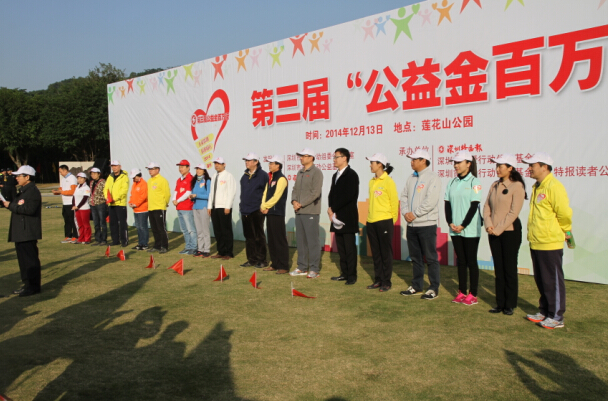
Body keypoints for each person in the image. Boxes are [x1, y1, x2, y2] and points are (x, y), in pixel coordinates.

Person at [522, 152, 573, 329]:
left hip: (550, 241)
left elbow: (564, 213)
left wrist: (566, 230)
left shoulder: (554, 186)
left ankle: (557, 316)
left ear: (544, 167)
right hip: (537, 241)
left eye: (532, 165)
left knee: (553, 280)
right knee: (542, 279)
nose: (529, 168)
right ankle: (544, 311)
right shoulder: (537, 186)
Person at [483, 154, 526, 316]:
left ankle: (510, 304)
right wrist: (489, 225)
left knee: (509, 268)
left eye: (501, 166)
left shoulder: (517, 186)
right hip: (493, 231)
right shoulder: (494, 185)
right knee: (498, 269)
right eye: (497, 166)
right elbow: (486, 207)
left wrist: (498, 229)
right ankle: (500, 303)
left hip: (509, 232)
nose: (498, 169)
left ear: (510, 168)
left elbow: (513, 213)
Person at [399, 149, 442, 300]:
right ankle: (416, 285)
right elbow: (404, 196)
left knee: (430, 258)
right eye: (411, 159)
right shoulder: (411, 177)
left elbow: (430, 201)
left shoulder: (432, 177)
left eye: (415, 159)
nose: (412, 162)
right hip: (412, 225)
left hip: (426, 224)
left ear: (423, 161)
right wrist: (406, 212)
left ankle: (433, 288)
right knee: (416, 258)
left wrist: (415, 214)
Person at [444, 150, 483, 306]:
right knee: (461, 261)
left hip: (470, 229)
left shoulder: (475, 182)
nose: (456, 165)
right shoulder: (452, 182)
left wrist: (463, 225)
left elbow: (474, 206)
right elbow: (447, 204)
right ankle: (461, 292)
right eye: (455, 162)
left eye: (459, 162)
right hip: (455, 229)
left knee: (471, 261)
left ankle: (473, 294)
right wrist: (450, 222)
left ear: (468, 164)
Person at [2, 165, 42, 297]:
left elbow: (29, 209)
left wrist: (11, 205)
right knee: (23, 261)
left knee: (30, 260)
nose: (17, 178)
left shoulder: (33, 191)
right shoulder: (23, 191)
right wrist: (9, 204)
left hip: (27, 231)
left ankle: (33, 286)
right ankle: (26, 284)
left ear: (27, 177)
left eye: (19, 176)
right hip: (21, 231)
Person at [365, 153, 398, 292]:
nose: (370, 165)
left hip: (385, 221)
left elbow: (394, 203)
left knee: (385, 253)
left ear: (380, 164)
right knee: (376, 253)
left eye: (372, 163)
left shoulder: (388, 181)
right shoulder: (371, 181)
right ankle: (378, 280)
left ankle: (386, 281)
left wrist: (391, 221)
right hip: (371, 221)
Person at [290, 148, 324, 278]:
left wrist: (301, 203)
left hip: (310, 212)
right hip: (299, 211)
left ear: (311, 158)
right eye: (301, 156)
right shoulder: (300, 172)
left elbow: (315, 193)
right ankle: (302, 267)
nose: (301, 158)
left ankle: (314, 269)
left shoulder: (317, 172)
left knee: (312, 242)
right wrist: (294, 201)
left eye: (304, 156)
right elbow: (294, 189)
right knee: (301, 241)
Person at [328, 148, 360, 285]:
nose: (334, 160)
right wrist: (330, 209)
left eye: (337, 157)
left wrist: (333, 208)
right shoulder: (335, 175)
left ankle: (352, 275)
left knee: (349, 248)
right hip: (336, 216)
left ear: (345, 158)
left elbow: (349, 196)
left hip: (348, 217)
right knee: (341, 248)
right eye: (334, 157)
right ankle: (344, 273)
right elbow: (331, 194)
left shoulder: (351, 175)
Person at [260, 155, 290, 274]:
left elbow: (277, 196)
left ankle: (283, 265)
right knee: (271, 240)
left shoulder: (281, 179)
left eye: (272, 163)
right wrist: (263, 206)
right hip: (269, 212)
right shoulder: (270, 178)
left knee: (279, 239)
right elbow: (265, 193)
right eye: (269, 163)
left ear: (278, 165)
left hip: (277, 212)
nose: (270, 165)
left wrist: (266, 206)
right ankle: (275, 263)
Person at [239, 153, 269, 268]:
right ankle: (251, 260)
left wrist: (263, 207)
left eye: (249, 160)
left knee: (258, 236)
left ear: (256, 162)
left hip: (257, 210)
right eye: (245, 160)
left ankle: (262, 260)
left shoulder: (263, 175)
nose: (246, 162)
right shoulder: (244, 176)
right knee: (249, 237)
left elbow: (267, 193)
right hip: (245, 210)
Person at [208, 157, 237, 260]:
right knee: (217, 231)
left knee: (226, 230)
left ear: (224, 164)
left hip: (224, 206)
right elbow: (211, 192)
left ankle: (228, 253)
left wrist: (227, 206)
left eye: (219, 163)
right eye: (215, 163)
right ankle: (221, 251)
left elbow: (231, 192)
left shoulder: (228, 176)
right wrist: (209, 206)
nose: (217, 165)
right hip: (214, 207)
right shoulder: (214, 176)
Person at [146, 162, 171, 254]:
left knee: (161, 228)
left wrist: (165, 203)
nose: (150, 171)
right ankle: (157, 246)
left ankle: (164, 246)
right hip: (151, 207)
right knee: (154, 228)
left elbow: (167, 194)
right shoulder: (149, 181)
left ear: (157, 169)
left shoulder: (162, 180)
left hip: (159, 207)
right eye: (149, 169)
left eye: (152, 169)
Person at [173, 160, 197, 255]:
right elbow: (176, 191)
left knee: (190, 229)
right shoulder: (179, 179)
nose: (180, 169)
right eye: (179, 167)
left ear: (188, 168)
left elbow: (188, 192)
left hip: (187, 207)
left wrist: (177, 200)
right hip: (179, 207)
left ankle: (193, 247)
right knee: (184, 229)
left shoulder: (191, 178)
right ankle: (188, 246)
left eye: (182, 167)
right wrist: (174, 199)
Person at [105, 161, 130, 247]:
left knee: (122, 223)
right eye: (112, 166)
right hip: (111, 204)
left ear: (120, 166)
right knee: (113, 223)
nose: (114, 168)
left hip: (120, 203)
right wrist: (107, 198)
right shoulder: (110, 176)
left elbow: (124, 190)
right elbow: (106, 188)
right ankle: (115, 240)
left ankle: (124, 240)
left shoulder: (124, 177)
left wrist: (115, 198)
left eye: (115, 166)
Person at [189, 164, 212, 257]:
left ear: (204, 171)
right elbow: (193, 193)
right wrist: (192, 197)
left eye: (200, 169)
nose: (198, 171)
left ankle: (206, 249)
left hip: (204, 207)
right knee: (199, 230)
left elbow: (209, 195)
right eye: (197, 169)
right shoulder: (195, 181)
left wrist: (197, 195)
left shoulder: (207, 181)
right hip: (195, 207)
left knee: (205, 230)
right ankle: (200, 249)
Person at [52, 165, 78, 243]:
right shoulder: (63, 179)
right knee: (67, 220)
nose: (60, 173)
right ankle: (68, 236)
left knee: (73, 220)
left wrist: (61, 192)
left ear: (65, 170)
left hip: (71, 202)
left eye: (61, 172)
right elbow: (61, 189)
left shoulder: (72, 178)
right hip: (65, 203)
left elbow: (73, 191)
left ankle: (75, 236)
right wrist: (56, 192)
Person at [128, 168, 149, 251]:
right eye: (133, 177)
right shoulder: (134, 184)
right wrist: (130, 202)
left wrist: (136, 204)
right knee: (138, 227)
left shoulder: (143, 184)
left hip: (143, 209)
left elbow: (143, 196)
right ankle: (140, 243)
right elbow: (132, 195)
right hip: (136, 209)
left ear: (138, 175)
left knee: (143, 227)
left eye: (134, 177)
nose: (134, 179)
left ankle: (145, 244)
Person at [88, 167, 108, 246]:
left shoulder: (103, 182)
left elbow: (105, 192)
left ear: (99, 174)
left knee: (102, 222)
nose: (93, 175)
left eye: (94, 173)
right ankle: (98, 239)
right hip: (93, 204)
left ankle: (104, 239)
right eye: (92, 174)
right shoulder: (91, 182)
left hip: (100, 203)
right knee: (96, 223)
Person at [72, 172, 92, 244]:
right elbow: (74, 197)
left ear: (85, 179)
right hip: (77, 209)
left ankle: (87, 239)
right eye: (78, 178)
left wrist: (78, 206)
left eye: (81, 178)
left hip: (84, 208)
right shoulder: (77, 187)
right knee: (80, 224)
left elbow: (85, 198)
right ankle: (81, 238)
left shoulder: (86, 188)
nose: (79, 180)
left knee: (86, 224)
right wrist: (73, 205)